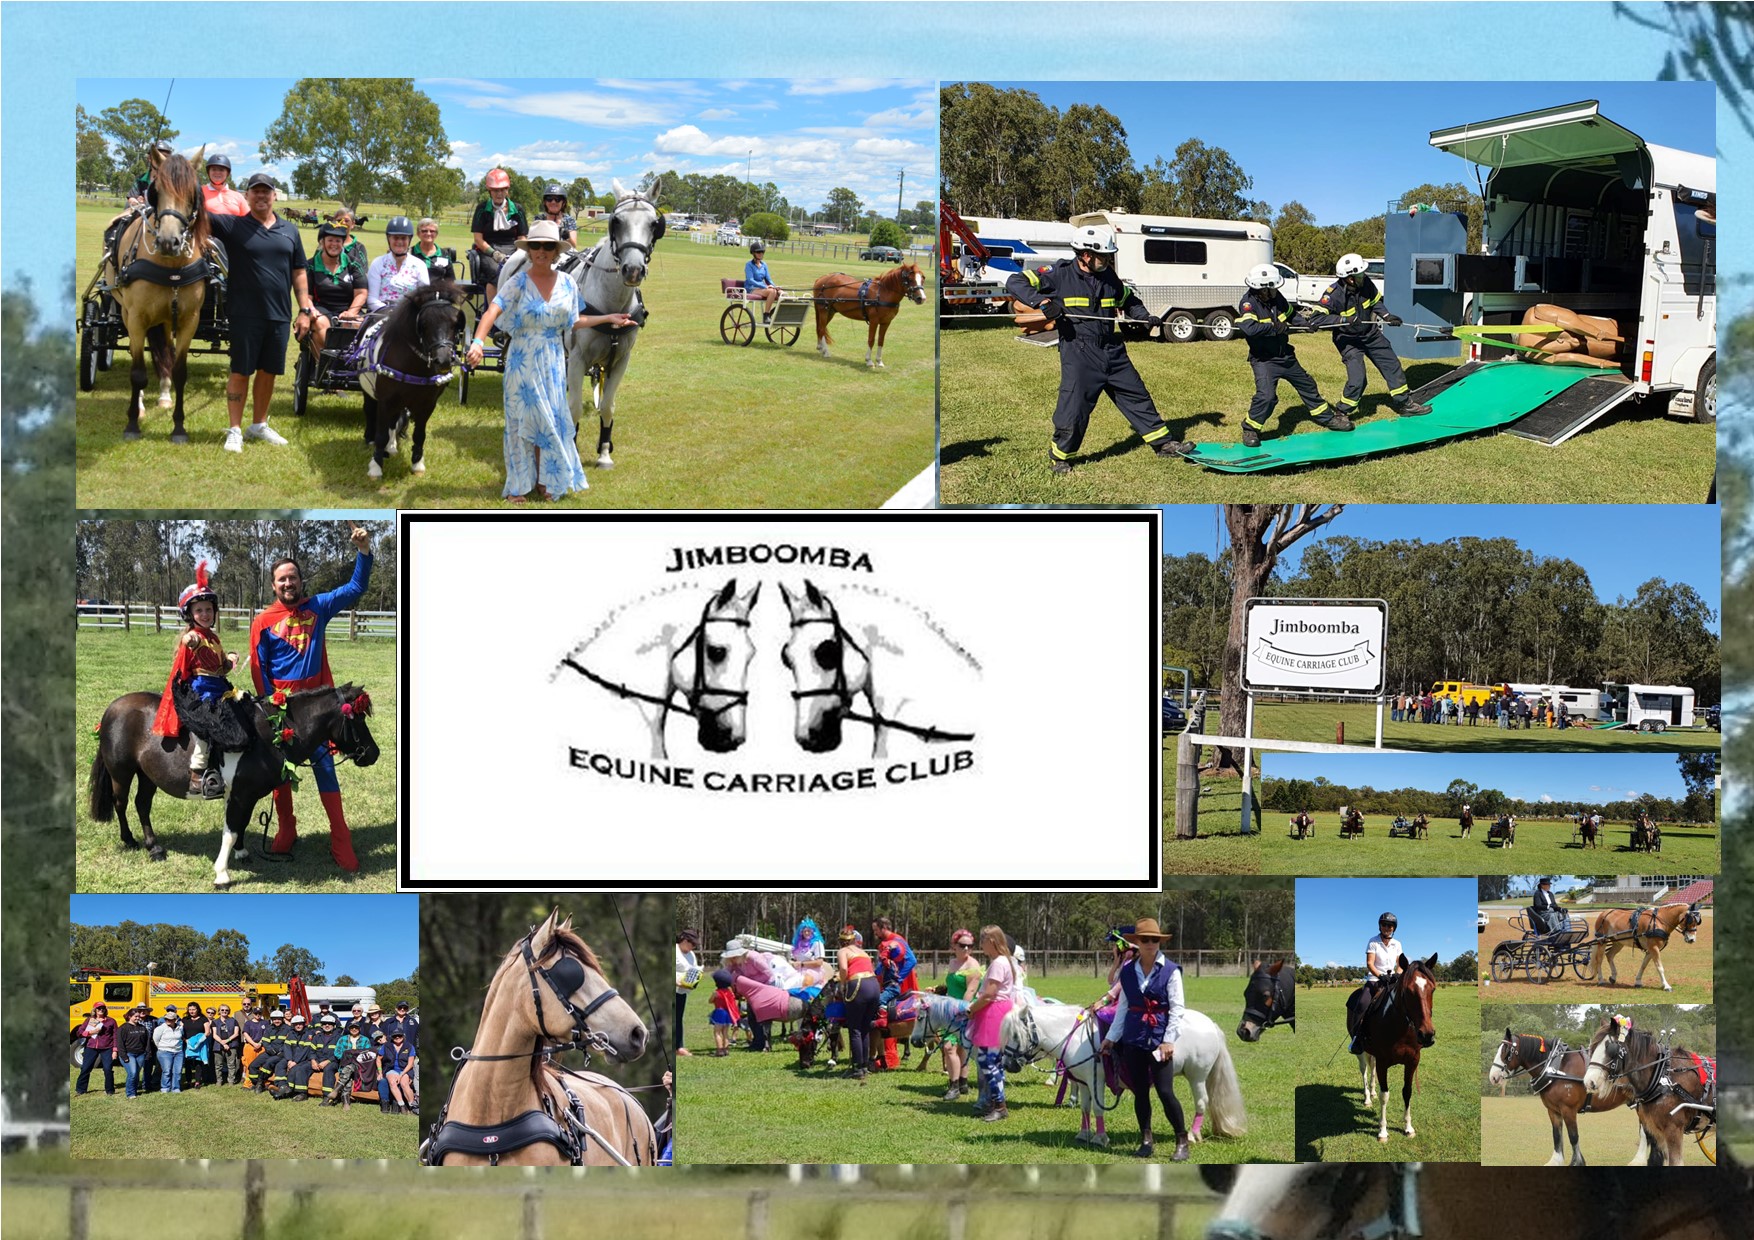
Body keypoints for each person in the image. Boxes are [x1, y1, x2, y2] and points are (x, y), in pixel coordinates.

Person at [465, 220, 635, 502]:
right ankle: (519, 486)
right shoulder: (518, 281)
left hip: (554, 362)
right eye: (535, 246)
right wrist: (478, 341)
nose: (541, 251)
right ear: (529, 250)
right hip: (522, 361)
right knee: (522, 424)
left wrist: (608, 318)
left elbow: (574, 320)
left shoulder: (567, 283)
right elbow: (492, 311)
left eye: (547, 246)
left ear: (556, 251)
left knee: (550, 422)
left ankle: (546, 480)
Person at [1003, 224, 1188, 475]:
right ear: (1085, 254)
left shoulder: (1108, 276)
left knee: (1137, 395)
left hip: (1112, 349)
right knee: (1074, 407)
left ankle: (1162, 443)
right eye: (1103, 256)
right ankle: (1061, 456)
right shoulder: (1058, 274)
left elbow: (1128, 299)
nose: (1107, 260)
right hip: (1079, 351)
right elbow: (1015, 281)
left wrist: (1143, 315)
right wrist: (1043, 302)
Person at [249, 526, 374, 871]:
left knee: (325, 769)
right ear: (273, 586)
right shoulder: (262, 621)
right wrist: (270, 710)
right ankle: (287, 827)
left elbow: (355, 588)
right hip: (282, 714)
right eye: (281, 580)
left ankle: (340, 837)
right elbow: (260, 669)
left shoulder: (319, 607)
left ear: (301, 581)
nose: (288, 584)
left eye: (292, 578)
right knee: (280, 774)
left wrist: (363, 551)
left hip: (319, 712)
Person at [205, 172, 314, 454]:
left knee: (268, 372)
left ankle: (259, 425)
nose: (261, 196)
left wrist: (304, 309)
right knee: (241, 370)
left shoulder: (290, 231)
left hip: (278, 314)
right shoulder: (232, 225)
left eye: (266, 191)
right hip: (244, 313)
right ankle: (235, 429)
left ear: (275, 196)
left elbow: (299, 272)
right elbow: (195, 213)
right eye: (255, 191)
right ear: (247, 196)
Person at [1099, 918, 1190, 1161]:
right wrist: (1111, 1038)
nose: (1150, 943)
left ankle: (1181, 1140)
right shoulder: (1128, 971)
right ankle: (1146, 1139)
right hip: (1133, 1038)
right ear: (1137, 942)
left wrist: (1169, 1040)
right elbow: (1123, 1008)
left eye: (1155, 940)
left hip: (1160, 1039)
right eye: (1145, 939)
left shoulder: (1171, 971)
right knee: (1140, 1092)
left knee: (1164, 1091)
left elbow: (1178, 1009)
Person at [1234, 263, 1350, 447]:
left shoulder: (1276, 298)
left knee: (1308, 385)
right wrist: (1273, 328)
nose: (1275, 291)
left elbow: (1290, 314)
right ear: (1262, 289)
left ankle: (1327, 418)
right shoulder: (1248, 303)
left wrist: (1306, 324)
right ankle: (1251, 428)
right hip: (1264, 360)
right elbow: (1249, 328)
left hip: (1286, 356)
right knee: (1267, 397)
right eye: (1272, 289)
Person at [149, 560, 238, 800]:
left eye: (208, 609)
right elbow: (191, 643)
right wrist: (190, 640)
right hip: (202, 693)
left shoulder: (214, 638)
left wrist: (229, 660)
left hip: (220, 689)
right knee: (206, 732)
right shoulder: (194, 638)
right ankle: (198, 776)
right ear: (190, 614)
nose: (205, 614)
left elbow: (221, 668)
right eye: (199, 611)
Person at [1310, 253, 1432, 424]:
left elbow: (1375, 302)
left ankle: (1404, 404)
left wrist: (1387, 316)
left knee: (1392, 365)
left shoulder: (1365, 283)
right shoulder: (1333, 294)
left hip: (1371, 335)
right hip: (1348, 340)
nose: (1363, 276)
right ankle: (1342, 411)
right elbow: (1316, 319)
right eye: (1359, 274)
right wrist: (1343, 320)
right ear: (1349, 278)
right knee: (1358, 379)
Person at [966, 924, 1018, 1122]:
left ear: (993, 942)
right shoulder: (1004, 961)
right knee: (993, 1061)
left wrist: (972, 1008)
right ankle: (996, 1101)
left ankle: (999, 1104)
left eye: (983, 940)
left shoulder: (998, 963)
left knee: (986, 1061)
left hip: (994, 1013)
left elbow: (989, 994)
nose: (981, 944)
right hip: (998, 1011)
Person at [305, 223, 368, 359]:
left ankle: (352, 365)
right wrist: (311, 310)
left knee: (359, 326)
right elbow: (306, 296)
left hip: (348, 309)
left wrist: (351, 312)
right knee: (320, 324)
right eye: (330, 240)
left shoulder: (354, 264)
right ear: (322, 242)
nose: (334, 244)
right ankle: (326, 366)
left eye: (338, 241)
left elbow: (361, 293)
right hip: (322, 309)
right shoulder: (310, 266)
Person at [1347, 912, 1404, 1054]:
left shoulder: (1397, 944)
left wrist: (1398, 974)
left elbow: (1400, 964)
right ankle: (1357, 1039)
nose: (1387, 927)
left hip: (1392, 982)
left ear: (1394, 928)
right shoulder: (1373, 941)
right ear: (1380, 926)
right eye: (1384, 925)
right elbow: (1370, 963)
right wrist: (1380, 975)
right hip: (1374, 981)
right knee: (1361, 1004)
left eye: (1390, 926)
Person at [470, 167, 527, 304]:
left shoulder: (517, 209)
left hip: (513, 249)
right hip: (488, 250)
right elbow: (478, 238)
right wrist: (494, 253)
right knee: (497, 273)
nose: (499, 193)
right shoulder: (482, 209)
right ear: (490, 190)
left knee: (525, 271)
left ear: (507, 190)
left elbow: (522, 236)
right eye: (495, 190)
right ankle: (493, 316)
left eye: (502, 190)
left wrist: (518, 255)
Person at [938, 929, 983, 1100]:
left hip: (964, 1011)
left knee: (950, 1047)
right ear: (954, 946)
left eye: (970, 946)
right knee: (959, 1048)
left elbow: (971, 991)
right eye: (962, 945)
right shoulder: (953, 963)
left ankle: (954, 1086)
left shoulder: (973, 965)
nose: (966, 949)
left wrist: (961, 1010)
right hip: (951, 1008)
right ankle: (962, 1083)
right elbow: (951, 987)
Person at [835, 925, 880, 1083]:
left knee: (854, 1029)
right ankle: (865, 1065)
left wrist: (842, 984)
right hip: (874, 986)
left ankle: (857, 1068)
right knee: (865, 1028)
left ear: (841, 942)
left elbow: (843, 969)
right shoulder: (864, 953)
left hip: (858, 985)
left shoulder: (843, 951)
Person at [365, 216, 430, 313]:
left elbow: (425, 296)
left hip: (409, 314)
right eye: (395, 238)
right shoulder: (378, 263)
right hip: (382, 313)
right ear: (389, 239)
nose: (399, 242)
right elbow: (372, 299)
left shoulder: (419, 265)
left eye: (403, 238)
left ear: (409, 240)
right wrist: (391, 312)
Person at [322, 1018, 373, 1108]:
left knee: (350, 1067)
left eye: (356, 1027)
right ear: (349, 1029)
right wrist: (346, 1058)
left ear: (359, 1028)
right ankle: (346, 1102)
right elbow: (337, 1052)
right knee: (348, 1076)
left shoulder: (365, 1040)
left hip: (360, 1066)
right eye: (352, 1027)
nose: (354, 1029)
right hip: (345, 1064)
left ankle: (336, 1091)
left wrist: (355, 1060)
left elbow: (368, 1054)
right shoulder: (342, 1039)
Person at [75, 1003, 119, 1097]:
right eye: (99, 1008)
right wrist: (90, 1032)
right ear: (95, 1010)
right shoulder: (90, 1020)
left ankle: (110, 1090)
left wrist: (115, 1050)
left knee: (107, 1069)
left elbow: (116, 1036)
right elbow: (79, 1033)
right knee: (85, 1068)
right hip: (91, 1047)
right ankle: (80, 1089)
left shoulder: (111, 1021)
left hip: (107, 1048)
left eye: (103, 1008)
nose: (101, 1010)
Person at [249, 1008, 291, 1093]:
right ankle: (257, 1083)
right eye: (274, 1019)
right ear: (272, 1020)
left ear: (282, 1019)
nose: (276, 1021)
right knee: (253, 1066)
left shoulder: (288, 1029)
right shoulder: (269, 1029)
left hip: (281, 1054)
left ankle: (260, 1083)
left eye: (278, 1019)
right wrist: (270, 1050)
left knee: (268, 1064)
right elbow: (265, 1041)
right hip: (269, 1052)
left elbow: (288, 1044)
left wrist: (280, 1051)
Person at [675, 929, 702, 1058]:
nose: (693, 947)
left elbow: (693, 969)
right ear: (685, 940)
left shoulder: (691, 955)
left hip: (682, 991)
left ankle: (679, 1046)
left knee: (678, 1018)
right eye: (692, 944)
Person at [380, 1028, 418, 1114]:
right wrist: (379, 1071)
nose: (397, 1037)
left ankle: (413, 1106)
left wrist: (401, 1075)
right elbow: (378, 1059)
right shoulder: (386, 1046)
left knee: (404, 1084)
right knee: (393, 1082)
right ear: (392, 1037)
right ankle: (402, 1105)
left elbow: (410, 1064)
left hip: (405, 1070)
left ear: (403, 1036)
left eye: (399, 1035)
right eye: (395, 1036)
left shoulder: (409, 1046)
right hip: (391, 1070)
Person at [744, 239, 782, 321]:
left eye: (762, 252)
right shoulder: (749, 265)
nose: (761, 254)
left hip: (762, 288)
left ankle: (777, 314)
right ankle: (766, 315)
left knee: (782, 294)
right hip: (751, 288)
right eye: (758, 252)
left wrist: (775, 287)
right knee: (772, 292)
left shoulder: (764, 265)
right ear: (753, 253)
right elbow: (750, 280)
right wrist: (765, 286)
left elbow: (768, 279)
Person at [119, 1006, 152, 1099]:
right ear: (129, 1016)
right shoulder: (123, 1028)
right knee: (132, 1073)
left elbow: (147, 1042)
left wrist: (147, 1053)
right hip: (129, 1054)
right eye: (135, 1016)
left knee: (136, 1073)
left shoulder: (142, 1028)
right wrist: (124, 1056)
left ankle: (134, 1090)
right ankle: (130, 1093)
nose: (137, 1018)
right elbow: (120, 1043)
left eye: (138, 1016)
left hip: (141, 1054)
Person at [200, 153, 248, 217]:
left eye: (221, 170)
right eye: (214, 169)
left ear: (227, 173)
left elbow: (248, 219)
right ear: (209, 172)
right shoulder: (200, 192)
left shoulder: (238, 196)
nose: (217, 172)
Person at [153, 1006, 186, 1094]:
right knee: (167, 1070)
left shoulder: (180, 1028)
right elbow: (156, 1040)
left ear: (175, 1020)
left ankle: (175, 1088)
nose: (168, 1020)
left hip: (178, 1052)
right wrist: (161, 1048)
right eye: (167, 1019)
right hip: (164, 1052)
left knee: (177, 1071)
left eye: (171, 1019)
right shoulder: (160, 1028)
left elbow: (181, 1037)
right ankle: (165, 1087)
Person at [708, 968, 739, 1057]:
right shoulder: (730, 992)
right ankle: (726, 1050)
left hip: (719, 1013)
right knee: (725, 1032)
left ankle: (719, 1050)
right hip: (728, 1014)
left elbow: (710, 1001)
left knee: (717, 1032)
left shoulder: (716, 992)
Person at [210, 1003, 241, 1086]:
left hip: (232, 1045)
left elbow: (236, 1033)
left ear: (229, 1011)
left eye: (226, 1010)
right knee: (218, 1065)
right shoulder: (215, 1022)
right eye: (222, 1010)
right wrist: (222, 1043)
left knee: (231, 1064)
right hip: (218, 1045)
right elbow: (214, 1035)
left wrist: (227, 1041)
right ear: (219, 1011)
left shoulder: (233, 1021)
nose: (224, 1011)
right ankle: (219, 1081)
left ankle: (231, 1081)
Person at [330, 208, 369, 272]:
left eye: (346, 220)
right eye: (339, 220)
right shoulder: (326, 245)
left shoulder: (359, 248)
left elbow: (363, 274)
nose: (342, 223)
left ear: (353, 224)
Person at [182, 1001, 209, 1090]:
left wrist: (199, 1042)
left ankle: (197, 1082)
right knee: (188, 1064)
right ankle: (189, 1081)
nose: (191, 1011)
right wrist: (186, 1041)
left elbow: (207, 1032)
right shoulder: (185, 1020)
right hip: (187, 1044)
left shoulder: (203, 1019)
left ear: (198, 1010)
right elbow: (180, 1032)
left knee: (198, 1064)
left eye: (193, 1009)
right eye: (190, 1009)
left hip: (200, 1045)